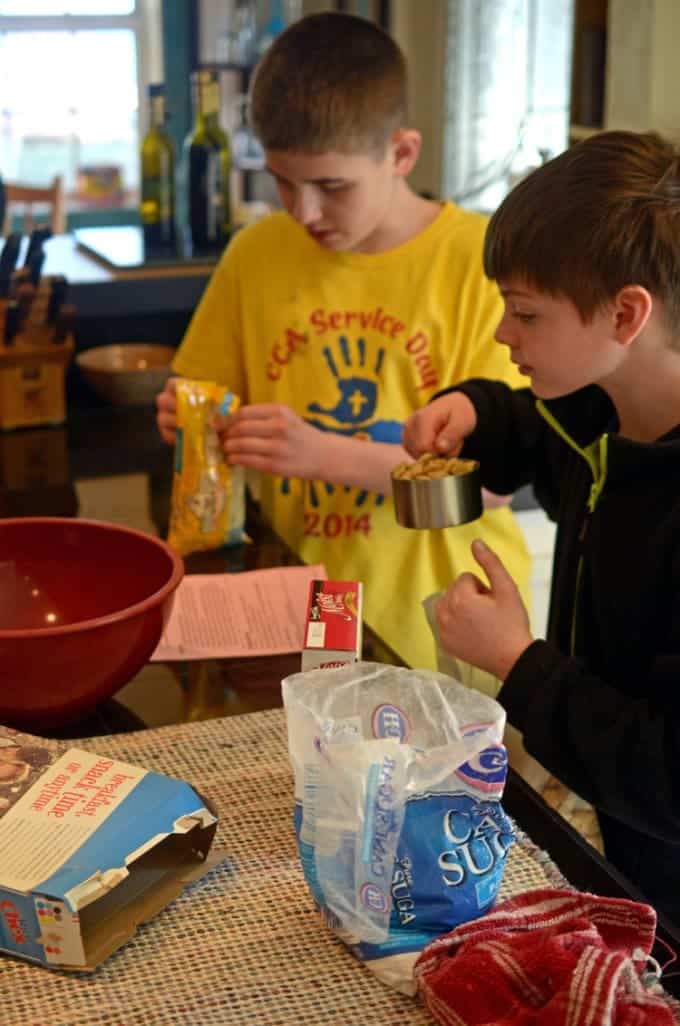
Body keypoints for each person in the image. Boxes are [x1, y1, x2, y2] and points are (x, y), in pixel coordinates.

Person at [156, 11, 530, 677]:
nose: (302, 212)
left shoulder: (482, 261)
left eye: (331, 186)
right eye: (281, 181)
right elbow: (206, 393)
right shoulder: (256, 253)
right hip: (299, 601)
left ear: (402, 153)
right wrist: (192, 420)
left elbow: (496, 483)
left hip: (442, 618)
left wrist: (318, 454)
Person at [402, 129, 680, 925]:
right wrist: (476, 413)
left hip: (657, 899)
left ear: (628, 312)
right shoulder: (602, 410)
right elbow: (536, 427)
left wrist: (516, 663)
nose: (501, 334)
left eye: (525, 312)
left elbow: (666, 779)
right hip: (595, 837)